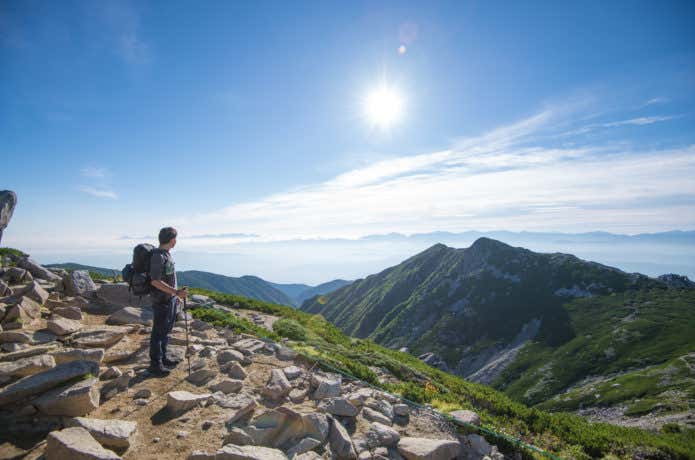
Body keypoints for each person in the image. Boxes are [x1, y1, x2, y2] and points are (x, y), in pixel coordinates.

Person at [148, 226, 187, 375]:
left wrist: (175, 296)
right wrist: (176, 292)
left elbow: (168, 278)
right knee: (158, 333)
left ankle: (163, 358)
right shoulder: (158, 256)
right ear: (172, 240)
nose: (175, 241)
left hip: (169, 299)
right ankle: (155, 364)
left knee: (165, 331)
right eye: (175, 239)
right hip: (161, 300)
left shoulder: (166, 254)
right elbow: (155, 281)